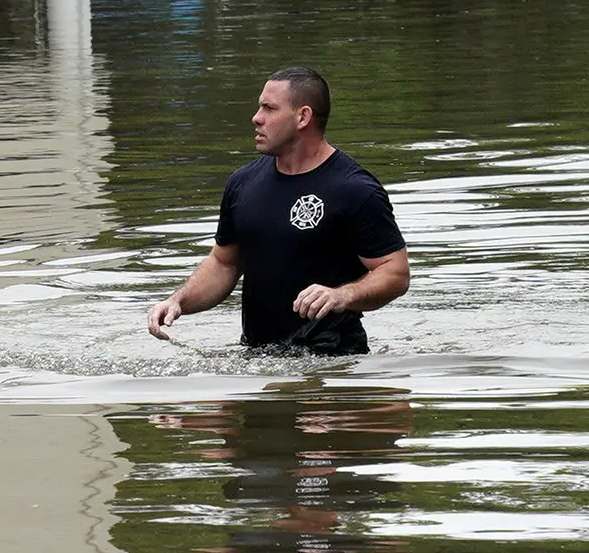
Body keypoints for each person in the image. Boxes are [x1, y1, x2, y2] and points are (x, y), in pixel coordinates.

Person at [147, 65, 410, 355]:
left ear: (303, 117)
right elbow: (225, 263)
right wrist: (178, 301)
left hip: (331, 362)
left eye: (269, 108)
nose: (256, 118)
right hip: (256, 356)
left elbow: (395, 273)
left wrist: (342, 295)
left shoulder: (355, 190)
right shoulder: (243, 183)